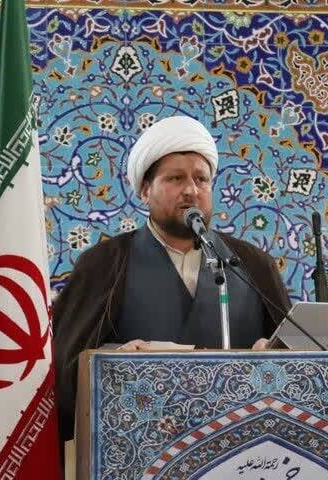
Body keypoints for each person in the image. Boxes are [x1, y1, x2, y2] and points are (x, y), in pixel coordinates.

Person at [52, 115, 291, 441]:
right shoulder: (104, 264)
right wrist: (112, 358)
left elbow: (292, 357)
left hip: (239, 442)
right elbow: (66, 369)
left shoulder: (253, 263)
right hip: (139, 443)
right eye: (176, 178)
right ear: (145, 190)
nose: (191, 190)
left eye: (201, 179)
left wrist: (275, 353)